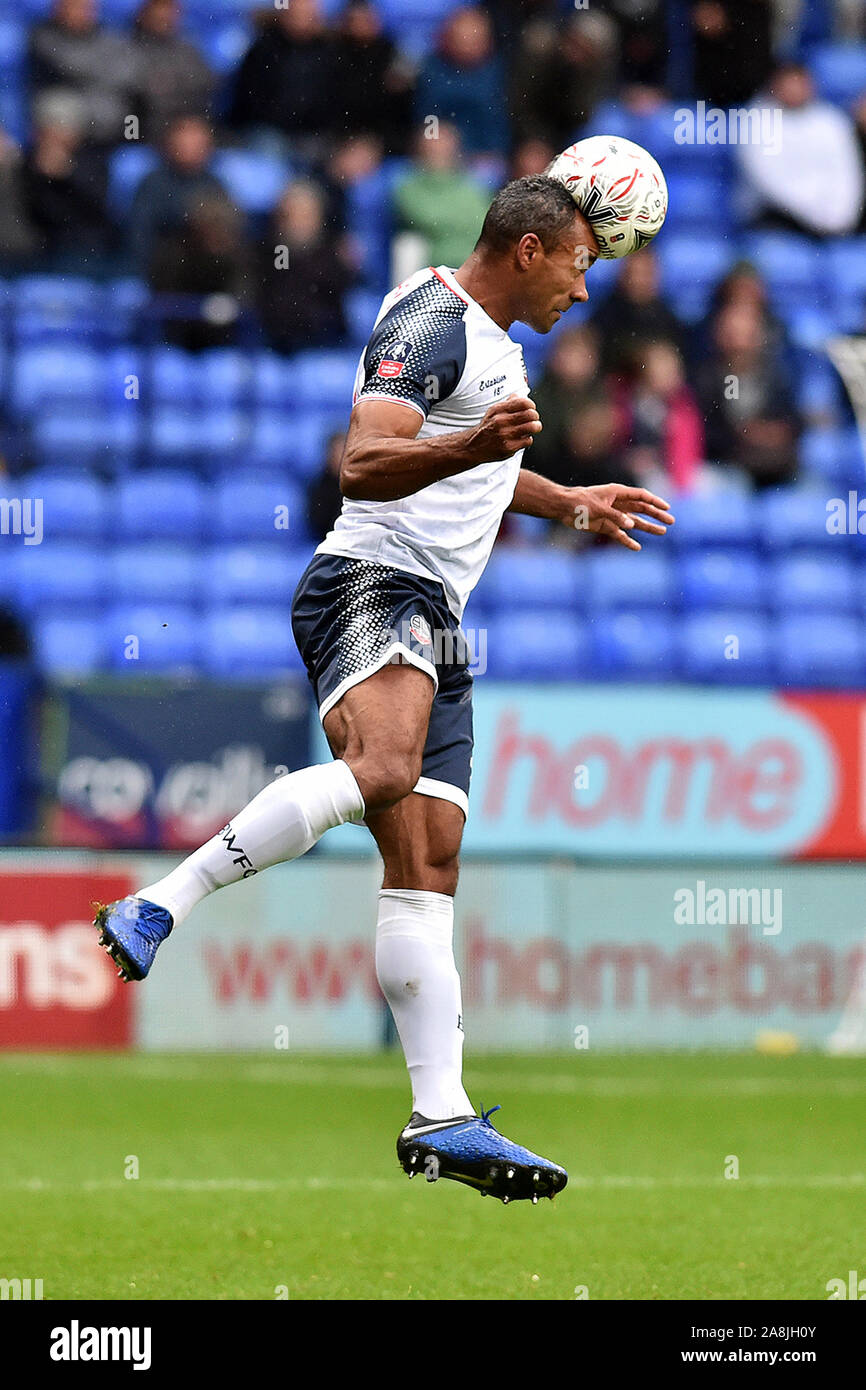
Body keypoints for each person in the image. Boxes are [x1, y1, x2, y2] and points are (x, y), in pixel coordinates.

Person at [94, 175, 674, 1204]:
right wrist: (469, 445)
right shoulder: (430, 316)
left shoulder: (493, 348)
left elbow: (475, 470)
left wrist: (566, 500)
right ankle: (157, 902)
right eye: (583, 264)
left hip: (436, 612)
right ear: (530, 250)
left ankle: (439, 1112)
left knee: (428, 861)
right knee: (383, 766)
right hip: (368, 581)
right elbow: (363, 458)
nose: (587, 292)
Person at [256, 180, 355, 355]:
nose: (298, 223)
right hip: (279, 343)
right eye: (291, 216)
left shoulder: (332, 254)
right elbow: (279, 294)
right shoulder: (277, 252)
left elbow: (335, 300)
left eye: (305, 216)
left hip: (324, 344)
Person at [131, 0, 216, 142]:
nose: (163, 18)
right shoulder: (127, 47)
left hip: (178, 122)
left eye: (168, 13)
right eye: (158, 13)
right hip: (138, 122)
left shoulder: (188, 51)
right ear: (144, 14)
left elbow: (203, 85)